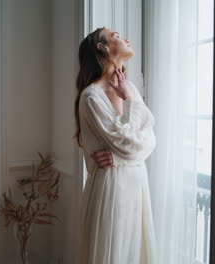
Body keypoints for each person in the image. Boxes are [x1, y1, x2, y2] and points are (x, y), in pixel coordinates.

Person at [73, 27, 158, 263]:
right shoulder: (92, 96)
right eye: (117, 36)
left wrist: (119, 157)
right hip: (113, 189)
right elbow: (129, 144)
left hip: (137, 185)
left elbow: (150, 139)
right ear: (103, 47)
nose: (127, 38)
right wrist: (126, 152)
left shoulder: (128, 89)